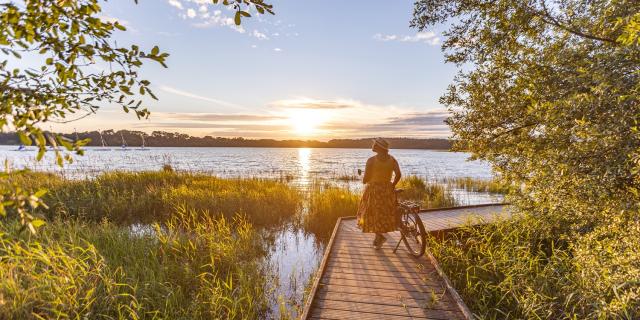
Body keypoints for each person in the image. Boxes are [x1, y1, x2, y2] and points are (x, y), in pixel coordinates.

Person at [357, 137, 401, 248]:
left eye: (374, 144)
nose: (372, 146)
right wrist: (392, 185)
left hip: (374, 190)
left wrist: (364, 179)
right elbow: (398, 174)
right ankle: (378, 237)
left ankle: (379, 236)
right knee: (384, 213)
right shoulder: (392, 159)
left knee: (372, 213)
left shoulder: (371, 160)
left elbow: (365, 179)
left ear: (378, 147)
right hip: (387, 190)